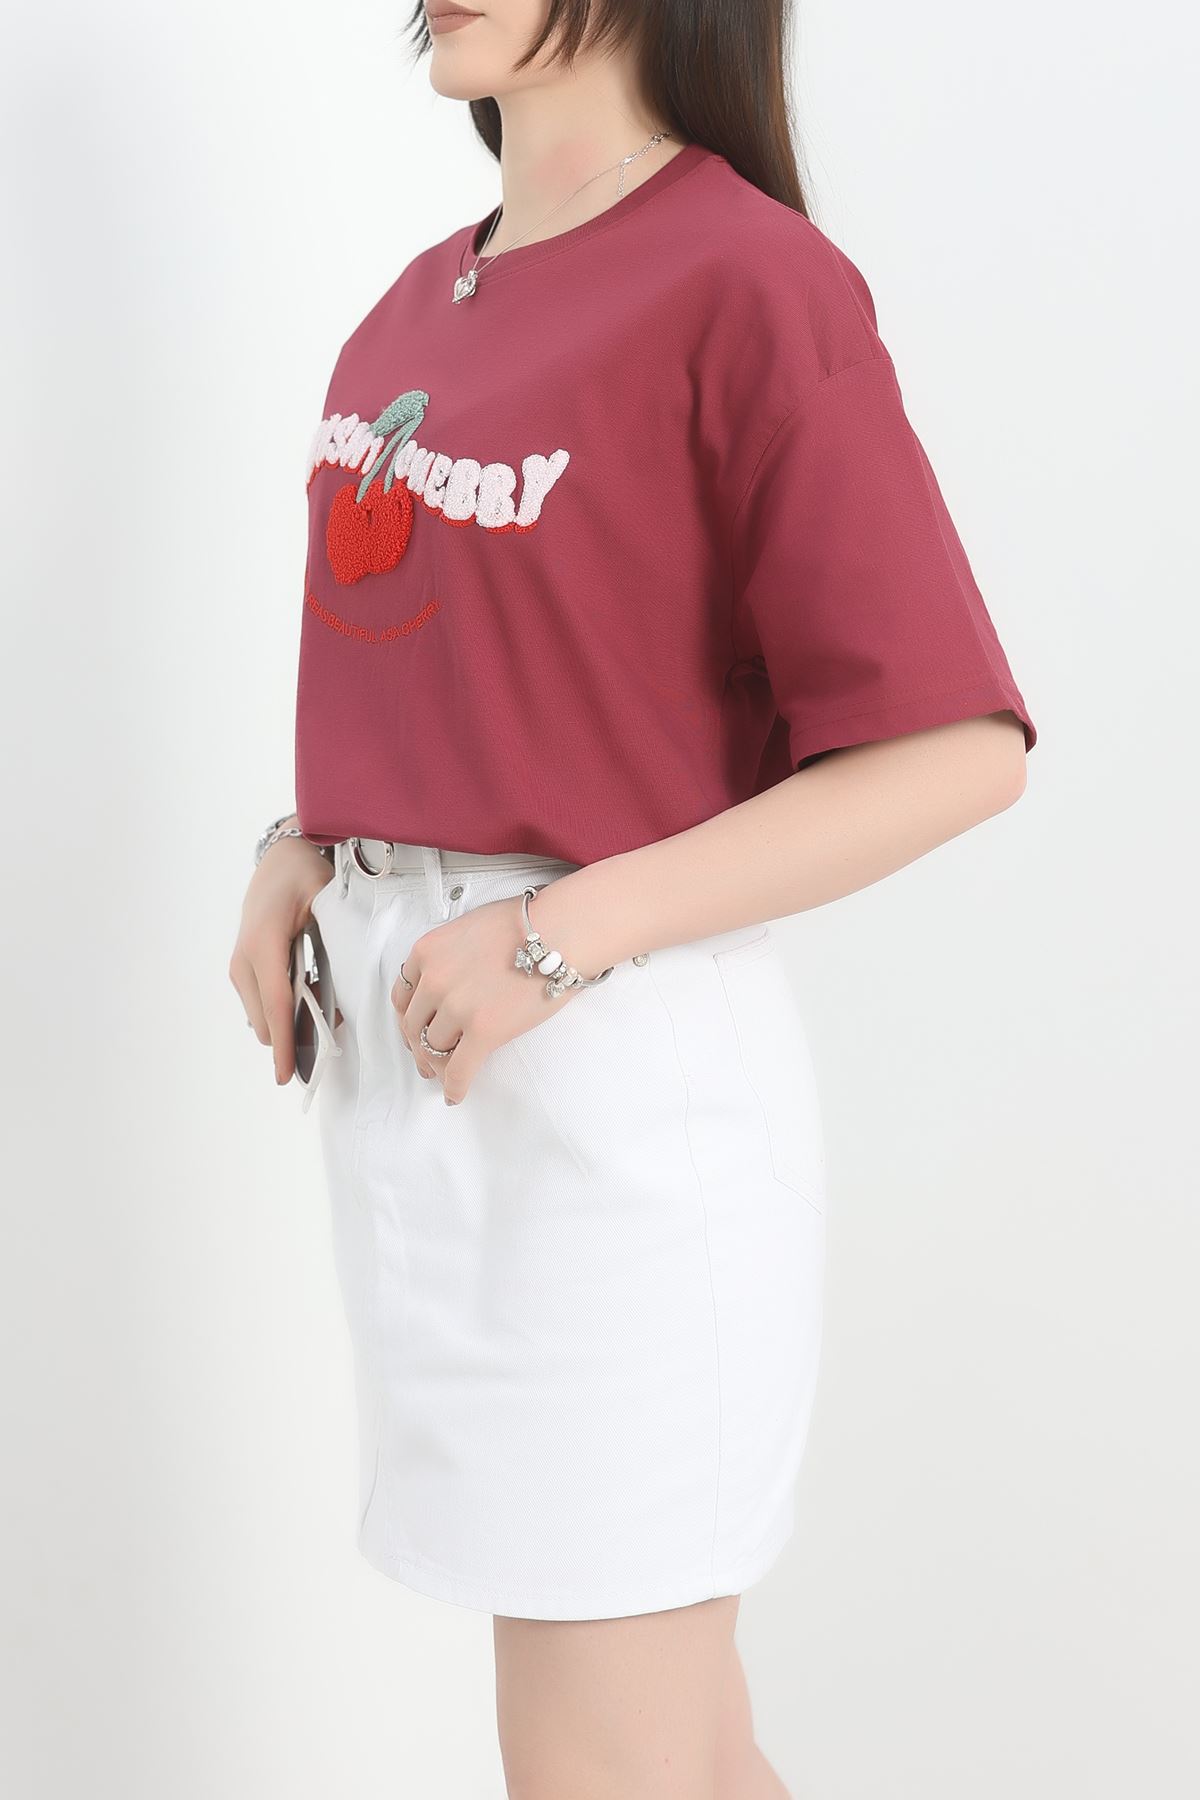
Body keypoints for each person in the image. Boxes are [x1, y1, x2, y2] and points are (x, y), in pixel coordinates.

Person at [229, 3, 1038, 1794]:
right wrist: (305, 846)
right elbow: (483, 676)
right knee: (687, 1753)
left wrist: (560, 934)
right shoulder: (413, 305)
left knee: (606, 1760)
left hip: (621, 1144)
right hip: (425, 1124)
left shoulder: (748, 285)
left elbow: (958, 749)